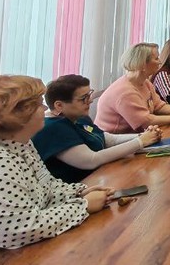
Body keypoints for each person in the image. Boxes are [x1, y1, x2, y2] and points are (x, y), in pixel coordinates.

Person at [0, 75, 114, 257]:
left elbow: (47, 187)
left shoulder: (22, 143)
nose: (46, 108)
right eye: (39, 104)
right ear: (17, 114)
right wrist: (83, 206)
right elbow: (15, 231)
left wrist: (78, 192)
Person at [33, 74, 162, 183]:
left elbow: (106, 139)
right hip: (80, 188)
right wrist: (140, 142)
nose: (90, 101)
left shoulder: (79, 117)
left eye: (89, 95)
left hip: (100, 177)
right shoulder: (52, 128)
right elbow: (91, 160)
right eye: (83, 98)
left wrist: (144, 135)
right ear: (59, 105)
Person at [94, 43, 170, 133]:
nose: (160, 62)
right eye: (156, 58)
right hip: (117, 140)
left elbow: (159, 107)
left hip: (137, 136)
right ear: (143, 64)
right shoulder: (125, 92)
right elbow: (146, 122)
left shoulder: (145, 82)